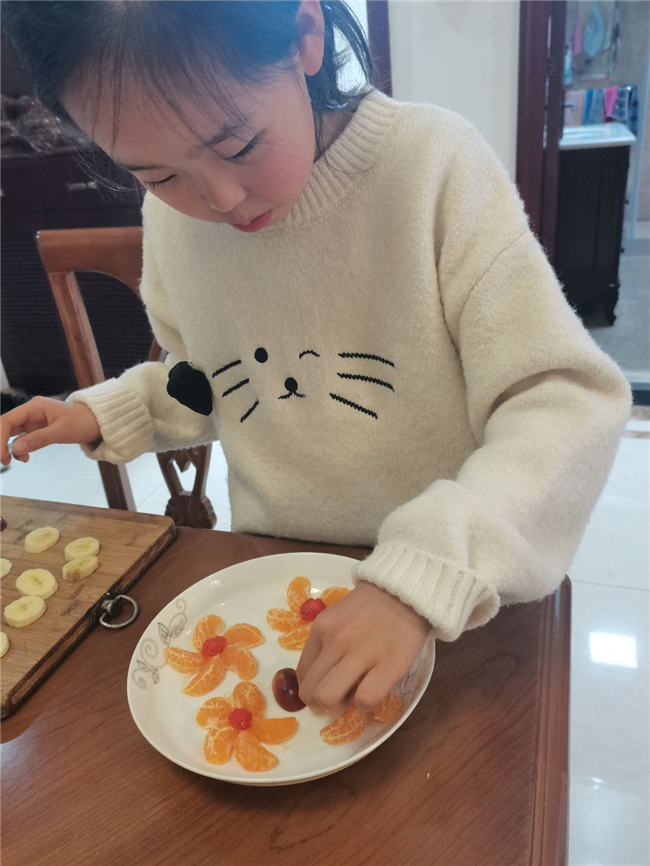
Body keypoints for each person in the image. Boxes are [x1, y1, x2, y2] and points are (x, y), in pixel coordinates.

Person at [1, 1, 631, 719]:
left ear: (305, 37)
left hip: (456, 600)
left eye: (238, 144)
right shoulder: (173, 222)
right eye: (157, 174)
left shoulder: (431, 166)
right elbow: (218, 381)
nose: (221, 199)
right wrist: (106, 411)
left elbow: (563, 398)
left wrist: (423, 574)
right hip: (276, 579)